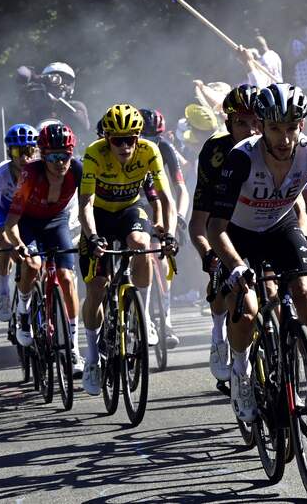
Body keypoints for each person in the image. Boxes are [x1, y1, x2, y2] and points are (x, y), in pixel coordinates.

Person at [207, 84, 307, 433]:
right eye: (275, 128)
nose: (284, 137)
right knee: (247, 307)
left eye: (291, 127)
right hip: (239, 234)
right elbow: (216, 227)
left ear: (301, 124)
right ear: (260, 126)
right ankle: (241, 374)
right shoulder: (242, 157)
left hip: (280, 226)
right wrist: (237, 266)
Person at [78, 104, 178, 396]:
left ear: (138, 137)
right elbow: (84, 203)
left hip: (128, 211)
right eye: (117, 140)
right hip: (98, 216)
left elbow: (165, 197)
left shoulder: (149, 151)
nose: (124, 146)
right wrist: (93, 236)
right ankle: (93, 357)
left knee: (141, 244)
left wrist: (169, 232)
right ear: (107, 138)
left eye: (130, 139)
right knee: (97, 288)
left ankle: (142, 316)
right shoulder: (94, 153)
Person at [188, 84, 261, 382]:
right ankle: (219, 334)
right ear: (228, 123)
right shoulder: (215, 150)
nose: (250, 129)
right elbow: (200, 220)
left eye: (256, 121)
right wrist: (207, 252)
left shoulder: (274, 143)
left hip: (261, 222)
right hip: (224, 224)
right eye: (241, 122)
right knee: (224, 287)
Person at [1, 123, 84, 373]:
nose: (61, 163)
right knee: (33, 263)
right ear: (43, 155)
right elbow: (10, 224)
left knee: (67, 278)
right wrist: (19, 246)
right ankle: (23, 312)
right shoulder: (31, 174)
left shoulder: (78, 169)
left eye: (65, 155)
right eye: (53, 157)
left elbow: (89, 205)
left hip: (57, 221)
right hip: (27, 222)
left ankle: (73, 346)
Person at [139, 108, 189, 347]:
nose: (149, 144)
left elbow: (181, 190)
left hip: (161, 202)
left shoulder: (166, 148)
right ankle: (142, 314)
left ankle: (166, 322)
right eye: (144, 139)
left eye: (154, 139)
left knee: (163, 258)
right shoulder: (129, 148)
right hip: (135, 203)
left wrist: (179, 217)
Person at [0, 124, 38, 322]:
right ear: (9, 152)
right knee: (4, 243)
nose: (24, 158)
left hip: (31, 213)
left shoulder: (42, 169)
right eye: (17, 151)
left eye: (29, 151)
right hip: (5, 212)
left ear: (36, 151)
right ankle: (3, 288)